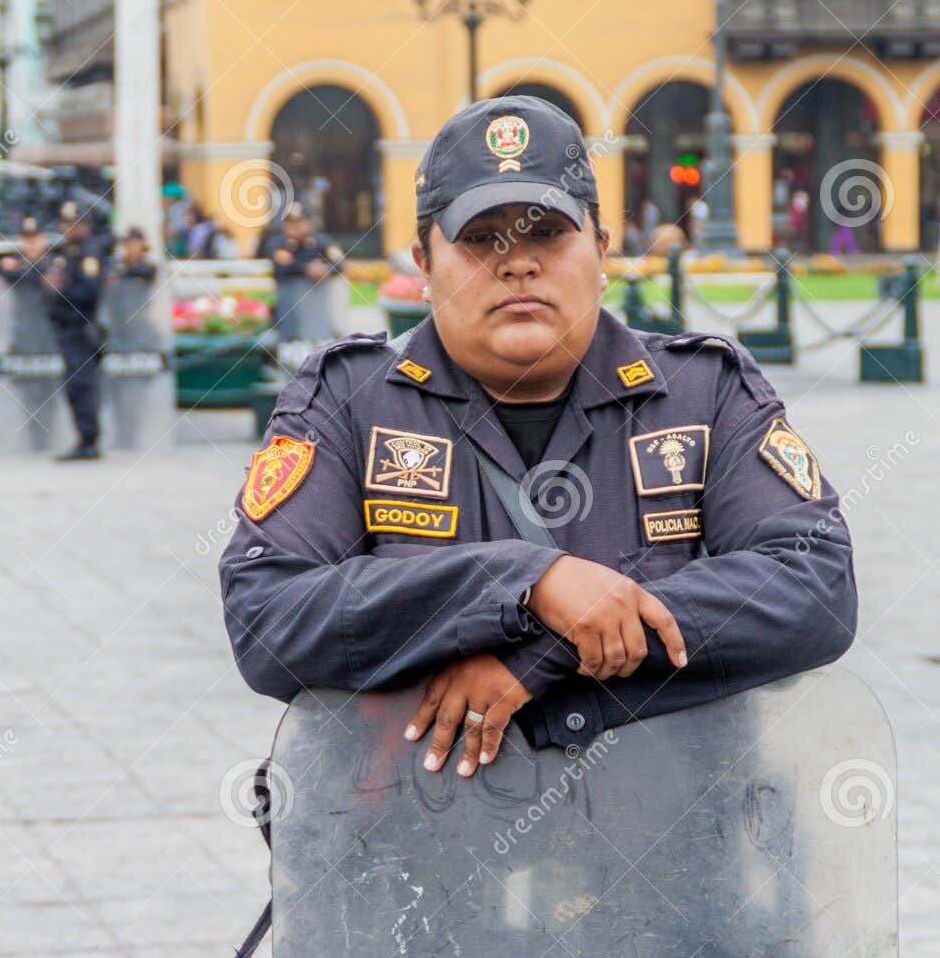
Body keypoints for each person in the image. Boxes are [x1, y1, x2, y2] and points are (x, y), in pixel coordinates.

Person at [219, 94, 855, 775]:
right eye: (477, 239)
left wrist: (542, 655)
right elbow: (268, 618)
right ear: (423, 267)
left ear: (601, 250)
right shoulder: (347, 398)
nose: (516, 263)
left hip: (673, 850)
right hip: (423, 852)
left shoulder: (703, 390)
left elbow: (813, 584)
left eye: (547, 234)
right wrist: (523, 581)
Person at [0, 200, 106, 460]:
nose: (68, 229)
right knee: (74, 385)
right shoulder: (69, 252)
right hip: (66, 327)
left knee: (81, 385)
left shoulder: (88, 254)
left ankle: (89, 441)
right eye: (66, 224)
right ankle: (84, 438)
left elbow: (90, 292)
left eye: (73, 224)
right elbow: (37, 275)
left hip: (81, 327)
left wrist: (61, 290)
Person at [266, 203, 344, 342]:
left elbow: (339, 263)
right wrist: (306, 269)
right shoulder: (279, 244)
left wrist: (326, 270)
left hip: (318, 308)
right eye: (290, 224)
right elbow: (281, 266)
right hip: (289, 306)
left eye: (299, 223)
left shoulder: (322, 242)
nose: (294, 228)